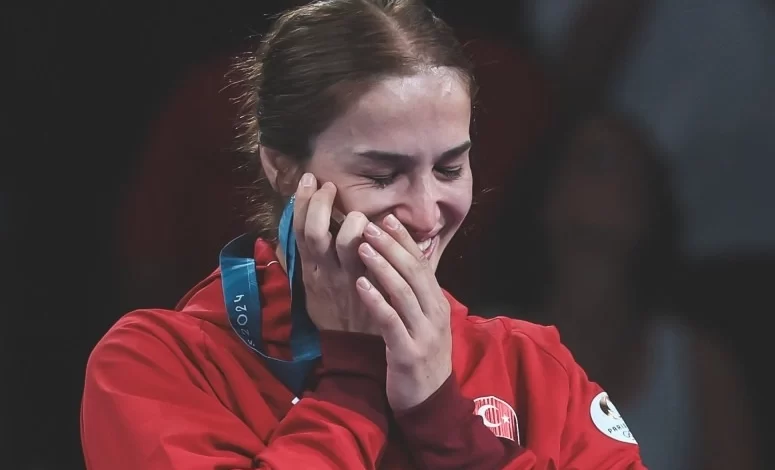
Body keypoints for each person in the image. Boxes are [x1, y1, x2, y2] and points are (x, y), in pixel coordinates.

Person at [81, 1, 647, 469]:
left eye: (450, 168)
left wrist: (444, 422)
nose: (426, 213)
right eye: (382, 175)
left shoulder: (533, 369)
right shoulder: (160, 365)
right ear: (283, 169)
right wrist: (353, 380)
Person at [499, 109, 757, 470]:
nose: (622, 180)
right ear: (548, 197)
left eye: (638, 169)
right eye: (598, 161)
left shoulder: (698, 365)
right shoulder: (490, 349)